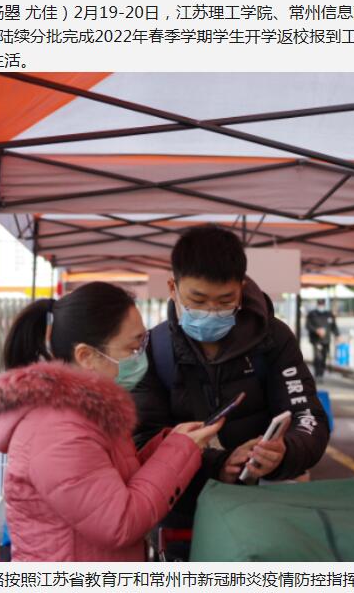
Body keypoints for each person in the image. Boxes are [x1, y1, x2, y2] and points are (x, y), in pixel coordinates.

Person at [0, 282, 224, 562]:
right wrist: (179, 451)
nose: (141, 357)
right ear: (86, 356)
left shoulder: (86, 412)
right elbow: (120, 523)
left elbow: (109, 481)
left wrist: (168, 445)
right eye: (133, 348)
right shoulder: (58, 430)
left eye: (142, 344)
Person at [133, 224, 329, 522]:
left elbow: (309, 417)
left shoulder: (274, 339)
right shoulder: (153, 349)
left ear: (241, 288)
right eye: (198, 300)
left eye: (225, 301)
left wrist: (284, 452)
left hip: (263, 509)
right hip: (183, 511)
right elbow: (143, 440)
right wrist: (218, 465)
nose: (211, 311)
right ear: (173, 288)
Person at [306, 298, 340, 378]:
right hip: (316, 339)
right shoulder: (312, 314)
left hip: (326, 340)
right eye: (319, 304)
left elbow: (333, 326)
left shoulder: (329, 314)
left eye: (322, 304)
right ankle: (317, 373)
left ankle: (321, 372)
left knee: (324, 356)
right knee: (317, 356)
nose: (321, 306)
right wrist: (316, 330)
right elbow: (308, 325)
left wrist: (337, 335)